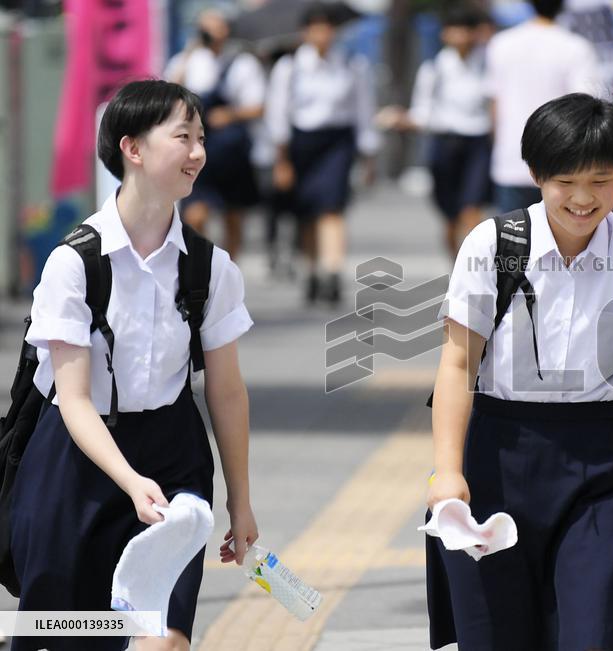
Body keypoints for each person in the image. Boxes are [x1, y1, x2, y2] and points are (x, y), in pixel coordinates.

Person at [426, 93, 613, 650]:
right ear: (535, 175)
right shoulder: (495, 245)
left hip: (602, 467)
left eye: (601, 181)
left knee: (597, 632)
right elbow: (457, 363)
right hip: (497, 461)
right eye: (566, 182)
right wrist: (447, 473)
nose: (583, 199)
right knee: (499, 635)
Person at [10, 80, 258, 651]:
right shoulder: (74, 263)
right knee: (66, 635)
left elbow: (226, 392)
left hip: (172, 457)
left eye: (201, 138)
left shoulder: (211, 268)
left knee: (161, 638)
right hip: (76, 459)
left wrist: (239, 502)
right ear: (133, 148)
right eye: (182, 137)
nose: (197, 152)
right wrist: (128, 482)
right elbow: (72, 398)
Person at [265, 1, 379, 304]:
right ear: (305, 32)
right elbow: (277, 114)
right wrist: (281, 160)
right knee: (307, 211)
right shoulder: (290, 67)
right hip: (301, 143)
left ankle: (332, 271)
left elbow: (363, 111)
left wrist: (369, 155)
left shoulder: (352, 64)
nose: (322, 34)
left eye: (327, 28)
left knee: (332, 207)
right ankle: (312, 269)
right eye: (316, 28)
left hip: (337, 143)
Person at [378, 4, 492, 258]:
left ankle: (479, 268)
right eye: (455, 30)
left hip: (478, 142)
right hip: (445, 143)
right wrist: (402, 119)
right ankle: (457, 264)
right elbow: (423, 112)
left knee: (472, 209)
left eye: (466, 30)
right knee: (450, 213)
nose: (460, 36)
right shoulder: (435, 69)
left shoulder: (488, 65)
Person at [165, 7, 267, 260]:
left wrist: (230, 115)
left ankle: (228, 268)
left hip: (231, 151)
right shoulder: (187, 61)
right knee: (195, 213)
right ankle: (201, 267)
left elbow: (258, 106)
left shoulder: (243, 63)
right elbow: (168, 96)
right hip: (195, 151)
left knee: (233, 215)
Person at [485, 0, 601, 213]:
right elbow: (585, 105)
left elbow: (494, 103)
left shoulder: (501, 43)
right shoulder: (575, 46)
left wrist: (496, 143)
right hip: (561, 160)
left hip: (510, 155)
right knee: (560, 240)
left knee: (512, 239)